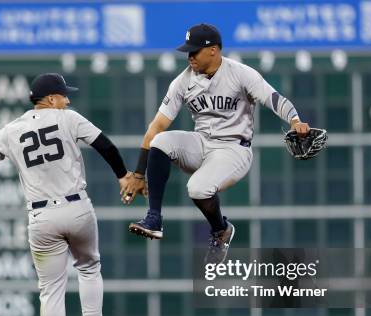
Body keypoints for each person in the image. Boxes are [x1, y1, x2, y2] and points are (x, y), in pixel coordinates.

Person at [0, 73, 132, 316]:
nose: (68, 100)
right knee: (89, 267)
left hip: (41, 217)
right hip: (77, 210)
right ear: (50, 99)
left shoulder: (12, 129)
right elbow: (105, 145)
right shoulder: (67, 118)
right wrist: (123, 176)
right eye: (63, 95)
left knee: (50, 291)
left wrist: (6, 153)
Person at [121, 23, 310, 264]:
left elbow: (273, 98)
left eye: (194, 51)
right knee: (161, 140)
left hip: (233, 149)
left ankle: (221, 230)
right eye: (188, 51)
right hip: (202, 143)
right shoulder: (183, 81)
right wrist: (138, 173)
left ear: (213, 50)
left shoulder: (240, 73)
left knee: (197, 188)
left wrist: (295, 119)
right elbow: (155, 127)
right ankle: (154, 218)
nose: (189, 56)